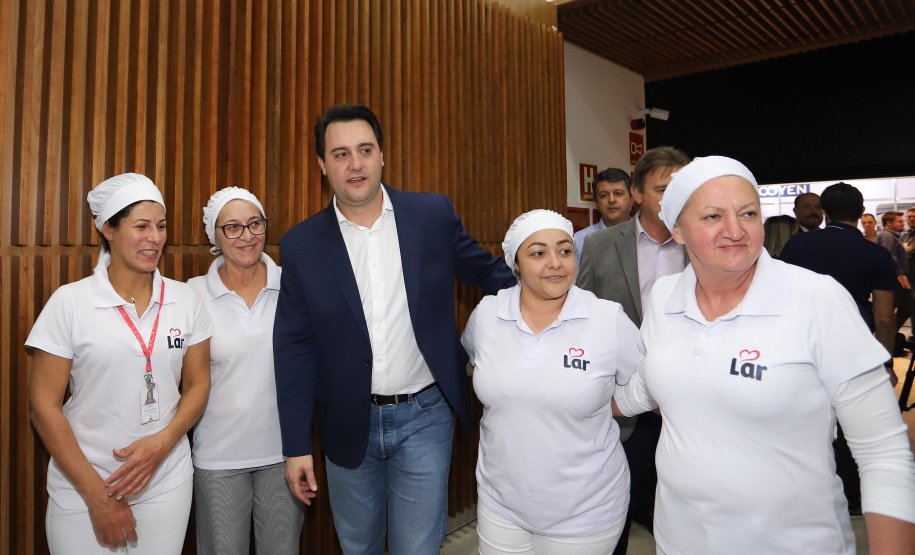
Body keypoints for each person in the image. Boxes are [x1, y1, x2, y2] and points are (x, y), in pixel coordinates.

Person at [614, 156, 915, 554]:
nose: (735, 231)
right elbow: (648, 382)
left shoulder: (815, 299)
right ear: (678, 230)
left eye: (748, 213)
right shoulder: (666, 297)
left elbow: (884, 454)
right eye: (712, 217)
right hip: (680, 541)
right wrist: (579, 399)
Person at [273, 104, 515, 554]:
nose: (356, 163)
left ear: (383, 155)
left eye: (365, 150)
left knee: (418, 548)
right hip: (347, 422)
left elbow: (491, 276)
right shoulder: (301, 244)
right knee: (359, 547)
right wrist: (296, 445)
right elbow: (293, 348)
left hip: (426, 415)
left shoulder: (431, 215)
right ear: (322, 165)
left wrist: (541, 303)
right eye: (341, 154)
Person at [26, 173, 212, 554]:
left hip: (165, 481)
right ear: (108, 229)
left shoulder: (186, 300)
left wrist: (161, 446)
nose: (155, 238)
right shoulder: (70, 303)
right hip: (84, 484)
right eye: (141, 226)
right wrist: (97, 496)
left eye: (161, 226)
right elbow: (43, 407)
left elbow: (198, 385)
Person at [461, 209, 638, 554]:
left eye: (565, 250)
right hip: (501, 504)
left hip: (585, 511)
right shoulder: (486, 314)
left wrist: (617, 404)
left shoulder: (606, 319)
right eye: (539, 253)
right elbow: (472, 364)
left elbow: (650, 380)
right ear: (516, 263)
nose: (555, 262)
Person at [577, 145, 690, 554]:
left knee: (689, 510)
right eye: (662, 188)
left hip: (690, 398)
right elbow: (583, 315)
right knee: (616, 507)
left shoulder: (702, 243)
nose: (671, 197)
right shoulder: (601, 245)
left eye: (679, 187)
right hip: (624, 404)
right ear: (637, 193)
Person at [187, 188, 304, 554]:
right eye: (233, 227)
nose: (247, 236)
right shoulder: (192, 295)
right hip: (218, 459)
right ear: (214, 237)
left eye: (255, 224)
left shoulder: (293, 286)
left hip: (284, 455)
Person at [779, 181, 901, 516]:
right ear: (861, 213)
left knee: (803, 418)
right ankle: (852, 497)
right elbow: (885, 317)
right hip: (855, 347)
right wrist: (886, 364)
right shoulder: (876, 253)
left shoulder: (797, 247)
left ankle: (806, 493)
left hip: (802, 344)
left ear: (825, 212)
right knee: (853, 424)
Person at [573, 168, 634, 267]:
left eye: (618, 193)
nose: (611, 200)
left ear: (632, 199)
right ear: (596, 203)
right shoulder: (581, 241)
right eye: (604, 195)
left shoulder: (643, 236)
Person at [877, 211, 913, 335]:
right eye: (900, 221)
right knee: (908, 306)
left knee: (896, 307)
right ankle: (889, 334)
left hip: (894, 277)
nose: (904, 223)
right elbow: (889, 256)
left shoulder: (892, 236)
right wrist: (900, 274)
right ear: (889, 223)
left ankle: (889, 335)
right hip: (895, 278)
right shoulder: (887, 236)